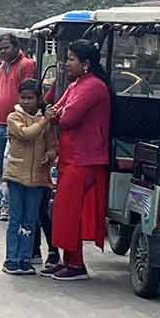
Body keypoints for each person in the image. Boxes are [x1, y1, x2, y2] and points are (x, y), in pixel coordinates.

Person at [42, 40, 111, 282]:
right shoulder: (78, 85)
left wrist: (55, 114)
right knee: (65, 210)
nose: (66, 63)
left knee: (69, 211)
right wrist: (55, 113)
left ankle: (76, 264)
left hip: (84, 158)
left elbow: (67, 117)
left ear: (86, 63)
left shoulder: (94, 87)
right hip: (71, 156)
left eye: (71, 59)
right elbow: (54, 109)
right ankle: (70, 261)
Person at [2, 79, 57, 275]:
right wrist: (44, 121)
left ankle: (25, 259)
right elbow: (26, 134)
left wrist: (49, 156)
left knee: (30, 220)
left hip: (38, 179)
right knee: (16, 219)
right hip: (17, 176)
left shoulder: (45, 121)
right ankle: (11, 259)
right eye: (23, 97)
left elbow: (52, 145)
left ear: (38, 99)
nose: (26, 101)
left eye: (30, 98)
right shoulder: (13, 118)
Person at [0, 33, 36, 221]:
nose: (2, 52)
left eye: (6, 48)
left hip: (15, 124)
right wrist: (0, 99)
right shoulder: (2, 66)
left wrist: (16, 109)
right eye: (0, 49)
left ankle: (7, 207)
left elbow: (28, 91)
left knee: (8, 166)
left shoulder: (26, 65)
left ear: (15, 47)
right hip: (0, 123)